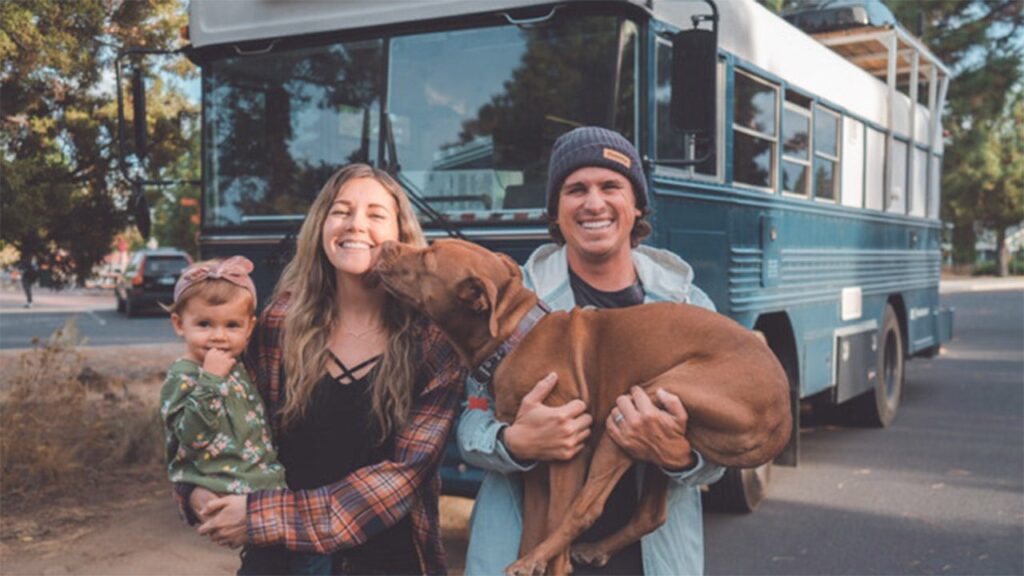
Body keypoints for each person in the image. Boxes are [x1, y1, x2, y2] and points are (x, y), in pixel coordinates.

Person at [457, 127, 726, 575]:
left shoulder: (688, 307)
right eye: (576, 189)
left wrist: (679, 454)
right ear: (556, 210)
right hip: (521, 551)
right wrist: (514, 443)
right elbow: (470, 424)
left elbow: (719, 457)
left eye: (611, 186)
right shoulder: (511, 302)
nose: (594, 203)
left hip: (647, 559)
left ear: (636, 205)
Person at [176, 164, 465, 575]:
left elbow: (404, 477)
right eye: (341, 211)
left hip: (386, 562)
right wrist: (196, 487)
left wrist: (263, 516)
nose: (355, 225)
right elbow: (226, 420)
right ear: (320, 226)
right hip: (280, 562)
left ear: (402, 234)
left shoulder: (432, 339)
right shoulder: (280, 322)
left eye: (376, 214)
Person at [160, 256, 330, 574]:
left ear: (250, 327)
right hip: (236, 490)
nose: (219, 336)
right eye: (204, 324)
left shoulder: (235, 365)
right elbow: (190, 438)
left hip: (267, 489)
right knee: (305, 561)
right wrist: (210, 381)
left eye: (232, 325)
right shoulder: (185, 376)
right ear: (179, 324)